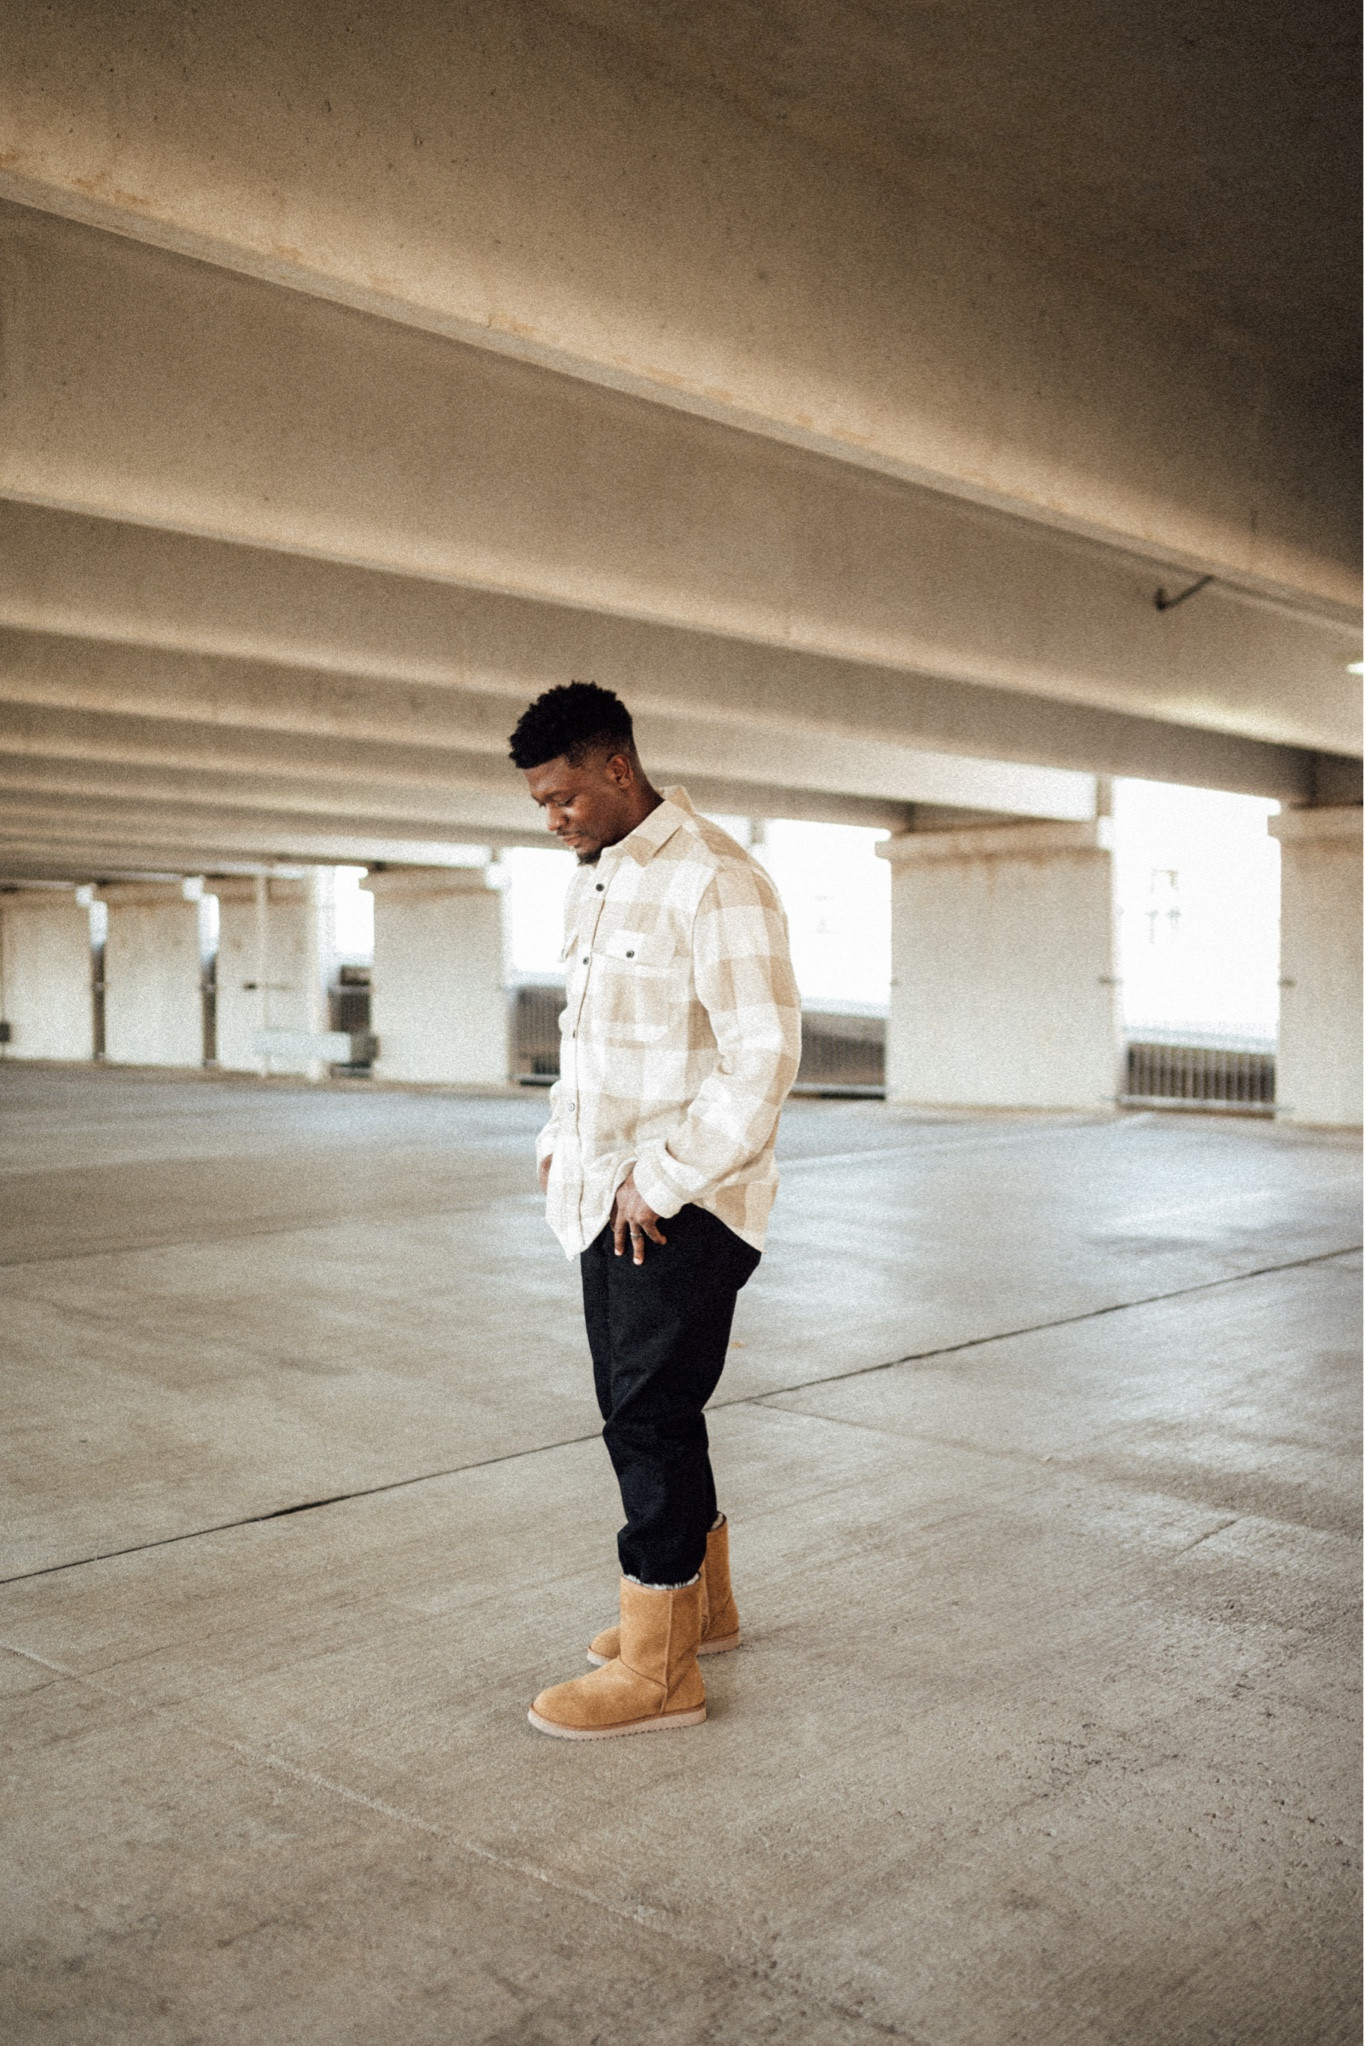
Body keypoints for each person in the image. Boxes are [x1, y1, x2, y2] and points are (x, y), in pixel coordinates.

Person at [508, 682, 801, 1740]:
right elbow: (583, 1042)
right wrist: (558, 1146)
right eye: (539, 804)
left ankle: (659, 1670)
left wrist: (660, 1177)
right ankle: (701, 1609)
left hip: (680, 1203)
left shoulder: (715, 880)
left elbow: (760, 1058)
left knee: (645, 1420)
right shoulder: (593, 884)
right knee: (651, 1410)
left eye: (561, 797)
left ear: (615, 769)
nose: (551, 819)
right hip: (601, 1200)